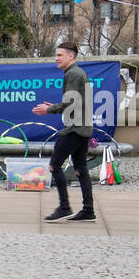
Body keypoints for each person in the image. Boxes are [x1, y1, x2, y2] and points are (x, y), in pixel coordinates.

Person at [33, 40, 95, 222]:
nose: (56, 58)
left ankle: (65, 207)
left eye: (60, 55)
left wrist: (48, 110)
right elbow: (77, 102)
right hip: (83, 129)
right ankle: (88, 210)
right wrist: (55, 106)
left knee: (54, 166)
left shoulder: (74, 74)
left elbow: (71, 102)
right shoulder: (77, 73)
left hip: (74, 129)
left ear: (71, 56)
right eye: (56, 55)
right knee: (80, 170)